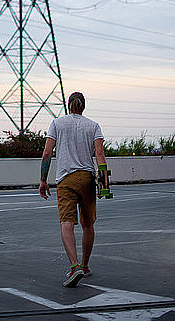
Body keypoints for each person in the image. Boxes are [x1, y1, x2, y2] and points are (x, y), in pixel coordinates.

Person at [39, 91, 107, 287]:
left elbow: (47, 153)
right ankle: (85, 266)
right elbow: (100, 155)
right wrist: (104, 183)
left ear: (68, 105)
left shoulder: (57, 123)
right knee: (88, 224)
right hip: (87, 178)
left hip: (65, 179)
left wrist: (43, 180)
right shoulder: (93, 126)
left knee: (66, 223)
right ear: (83, 106)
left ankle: (74, 266)